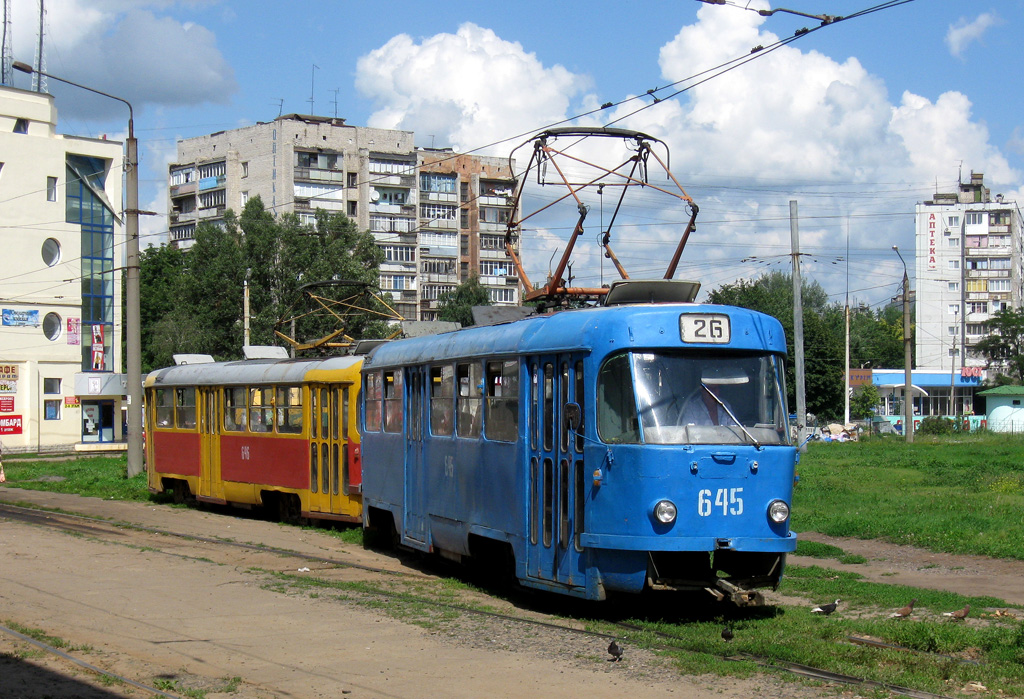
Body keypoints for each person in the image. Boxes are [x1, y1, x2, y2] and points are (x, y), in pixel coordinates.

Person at [677, 366, 746, 426]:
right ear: (702, 389)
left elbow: (734, 429)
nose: (714, 393)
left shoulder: (725, 406)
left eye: (717, 389)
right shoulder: (692, 407)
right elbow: (688, 433)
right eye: (711, 389)